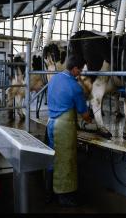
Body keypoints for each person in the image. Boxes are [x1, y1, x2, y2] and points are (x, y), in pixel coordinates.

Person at [45, 55, 92, 207]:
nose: (81, 72)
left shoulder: (55, 79)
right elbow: (84, 115)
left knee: (52, 159)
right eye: (80, 70)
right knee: (65, 161)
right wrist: (91, 119)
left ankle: (49, 193)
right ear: (75, 69)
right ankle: (64, 198)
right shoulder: (75, 87)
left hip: (50, 123)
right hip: (63, 127)